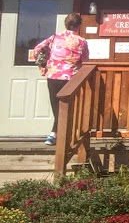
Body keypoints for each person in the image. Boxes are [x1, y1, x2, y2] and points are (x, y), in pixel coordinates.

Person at [31, 13, 88, 145]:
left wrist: (42, 65)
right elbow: (85, 61)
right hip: (71, 77)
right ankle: (59, 135)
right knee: (68, 106)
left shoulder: (55, 37)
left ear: (65, 24)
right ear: (79, 25)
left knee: (56, 105)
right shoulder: (81, 41)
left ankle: (54, 135)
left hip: (53, 75)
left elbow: (37, 49)